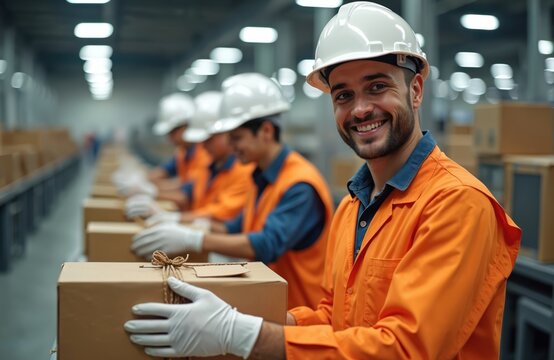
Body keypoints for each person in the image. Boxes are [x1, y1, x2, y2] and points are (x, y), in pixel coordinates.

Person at [124, 3, 521, 359]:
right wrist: (241, 316)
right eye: (343, 95)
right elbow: (334, 317)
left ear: (415, 90)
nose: (361, 108)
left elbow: (406, 348)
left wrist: (243, 334)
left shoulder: (456, 204)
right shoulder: (352, 206)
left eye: (377, 86)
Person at [131, 72, 334, 310]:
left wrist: (194, 239)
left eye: (237, 138)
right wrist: (179, 222)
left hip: (300, 317)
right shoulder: (260, 176)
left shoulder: (300, 185)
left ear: (266, 131)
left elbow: (267, 244)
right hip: (272, 304)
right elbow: (235, 226)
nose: (232, 147)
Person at [126, 91, 253, 223]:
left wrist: (173, 217)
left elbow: (221, 215)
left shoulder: (244, 171)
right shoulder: (211, 164)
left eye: (209, 139)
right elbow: (187, 192)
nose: (203, 146)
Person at [115, 92, 212, 209]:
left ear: (188, 125)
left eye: (173, 132)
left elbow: (184, 191)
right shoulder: (182, 152)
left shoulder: (205, 154)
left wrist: (150, 190)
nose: (170, 139)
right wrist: (140, 180)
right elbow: (163, 172)